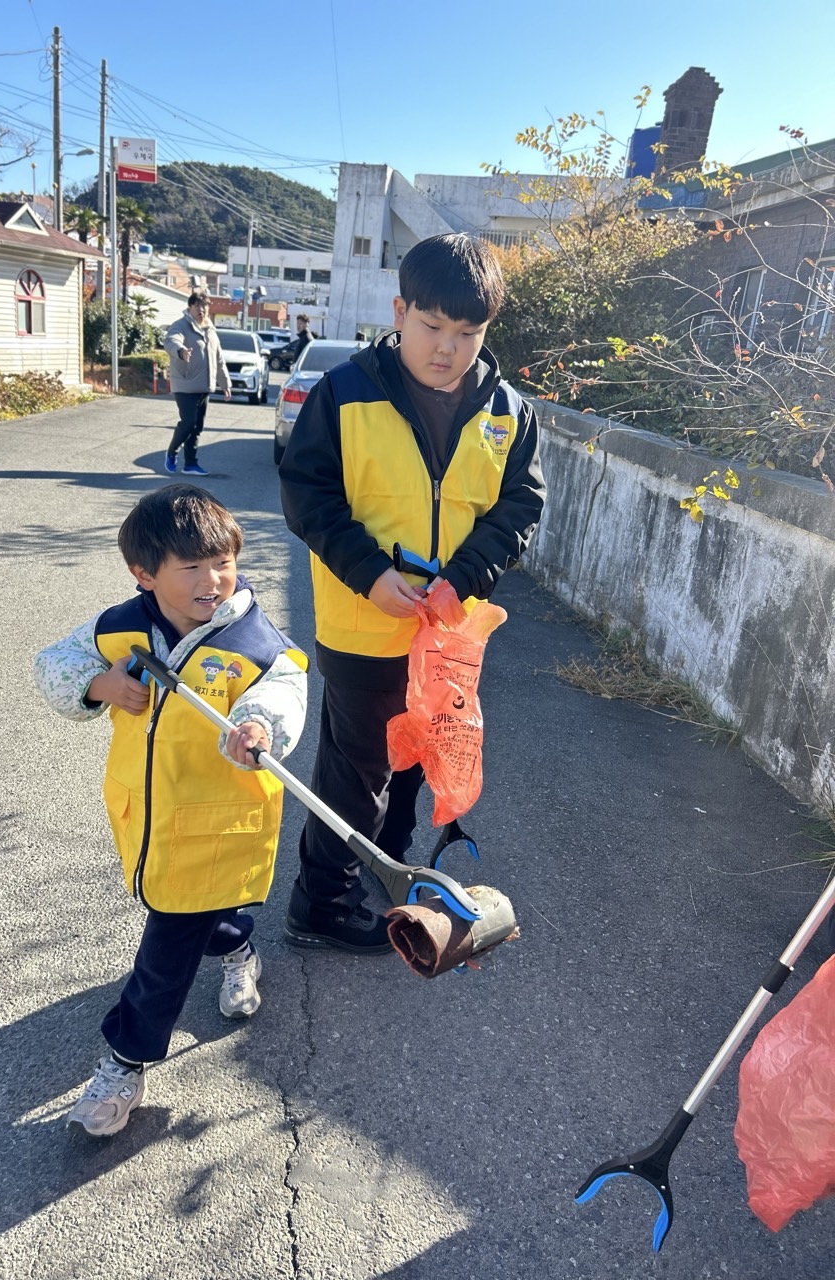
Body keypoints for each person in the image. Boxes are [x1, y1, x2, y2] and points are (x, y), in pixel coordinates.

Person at [278, 232, 545, 953]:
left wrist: (466, 577)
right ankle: (322, 904)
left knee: (413, 758)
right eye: (432, 326)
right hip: (361, 628)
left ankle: (383, 870)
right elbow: (307, 496)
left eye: (468, 333)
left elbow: (520, 507)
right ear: (400, 313)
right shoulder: (344, 392)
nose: (447, 349)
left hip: (446, 639)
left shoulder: (508, 413)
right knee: (356, 771)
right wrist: (369, 573)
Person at [34, 485, 308, 1136]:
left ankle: (125, 1062)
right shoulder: (120, 628)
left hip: (218, 819)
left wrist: (259, 726)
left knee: (167, 948)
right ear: (144, 574)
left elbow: (285, 688)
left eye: (224, 563)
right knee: (194, 913)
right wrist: (98, 683)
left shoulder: (254, 642)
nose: (212, 580)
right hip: (151, 815)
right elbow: (55, 662)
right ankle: (240, 951)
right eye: (191, 567)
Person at [162, 292, 232, 477]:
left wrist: (225, 383)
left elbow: (219, 359)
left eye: (205, 306)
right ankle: (172, 452)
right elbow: (171, 341)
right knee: (189, 422)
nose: (201, 310)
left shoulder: (210, 330)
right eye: (197, 306)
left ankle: (191, 464)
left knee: (197, 427)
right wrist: (181, 351)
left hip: (204, 387)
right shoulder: (181, 325)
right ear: (190, 308)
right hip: (185, 384)